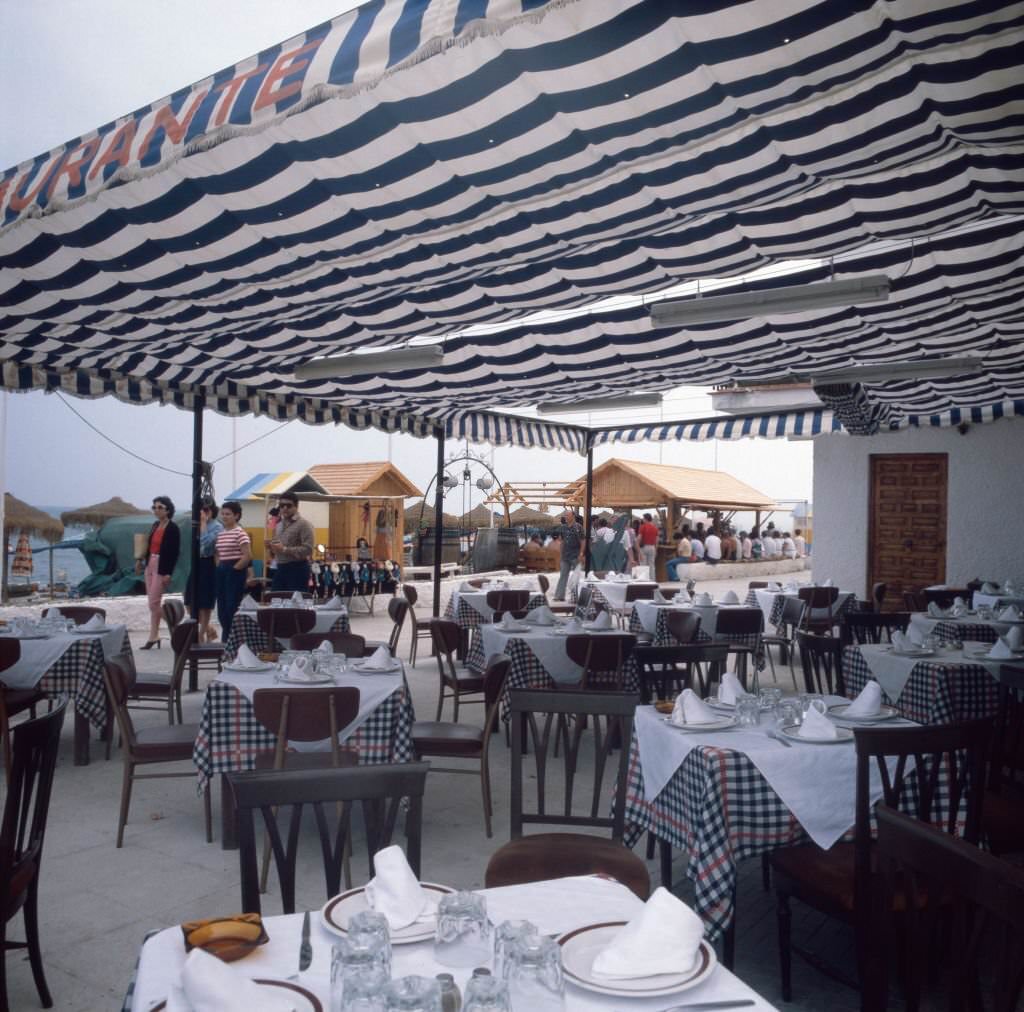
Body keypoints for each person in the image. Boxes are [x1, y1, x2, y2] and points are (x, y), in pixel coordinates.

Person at [141, 495, 180, 649]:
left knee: (153, 603)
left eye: (160, 507)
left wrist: (168, 573)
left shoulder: (173, 528)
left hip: (162, 565)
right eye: (154, 507)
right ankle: (153, 635)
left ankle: (174, 625)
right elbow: (149, 546)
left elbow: (174, 552)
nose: (156, 510)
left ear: (168, 510)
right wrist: (141, 561)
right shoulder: (155, 525)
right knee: (152, 602)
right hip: (150, 562)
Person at [215, 500, 251, 640]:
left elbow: (247, 556)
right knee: (222, 608)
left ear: (236, 516)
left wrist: (234, 569)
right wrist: (220, 566)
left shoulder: (240, 533)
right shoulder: (221, 533)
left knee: (232, 606)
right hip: (222, 570)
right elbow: (218, 553)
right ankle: (226, 637)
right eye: (222, 514)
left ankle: (234, 639)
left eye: (228, 514)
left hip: (234, 570)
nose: (224, 517)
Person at [188, 497, 222, 643]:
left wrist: (203, 523)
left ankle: (201, 634)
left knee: (205, 604)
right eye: (200, 510)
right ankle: (209, 629)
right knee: (189, 602)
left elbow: (206, 545)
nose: (202, 512)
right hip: (196, 563)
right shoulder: (194, 525)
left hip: (208, 564)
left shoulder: (217, 527)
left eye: (206, 509)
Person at [268, 493, 314, 592]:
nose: (284, 508)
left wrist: (284, 549)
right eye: (281, 506)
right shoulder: (279, 525)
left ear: (296, 506)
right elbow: (277, 549)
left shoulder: (304, 524)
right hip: (280, 567)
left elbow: (308, 549)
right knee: (277, 601)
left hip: (297, 568)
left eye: (288, 505)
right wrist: (271, 547)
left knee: (295, 604)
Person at [553, 509, 584, 600]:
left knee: (576, 577)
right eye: (565, 515)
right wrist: (561, 554)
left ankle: (576, 597)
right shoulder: (563, 527)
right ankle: (559, 596)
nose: (566, 517)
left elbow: (583, 541)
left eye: (567, 515)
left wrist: (581, 553)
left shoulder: (578, 527)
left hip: (575, 555)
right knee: (563, 575)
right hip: (565, 556)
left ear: (573, 516)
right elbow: (561, 541)